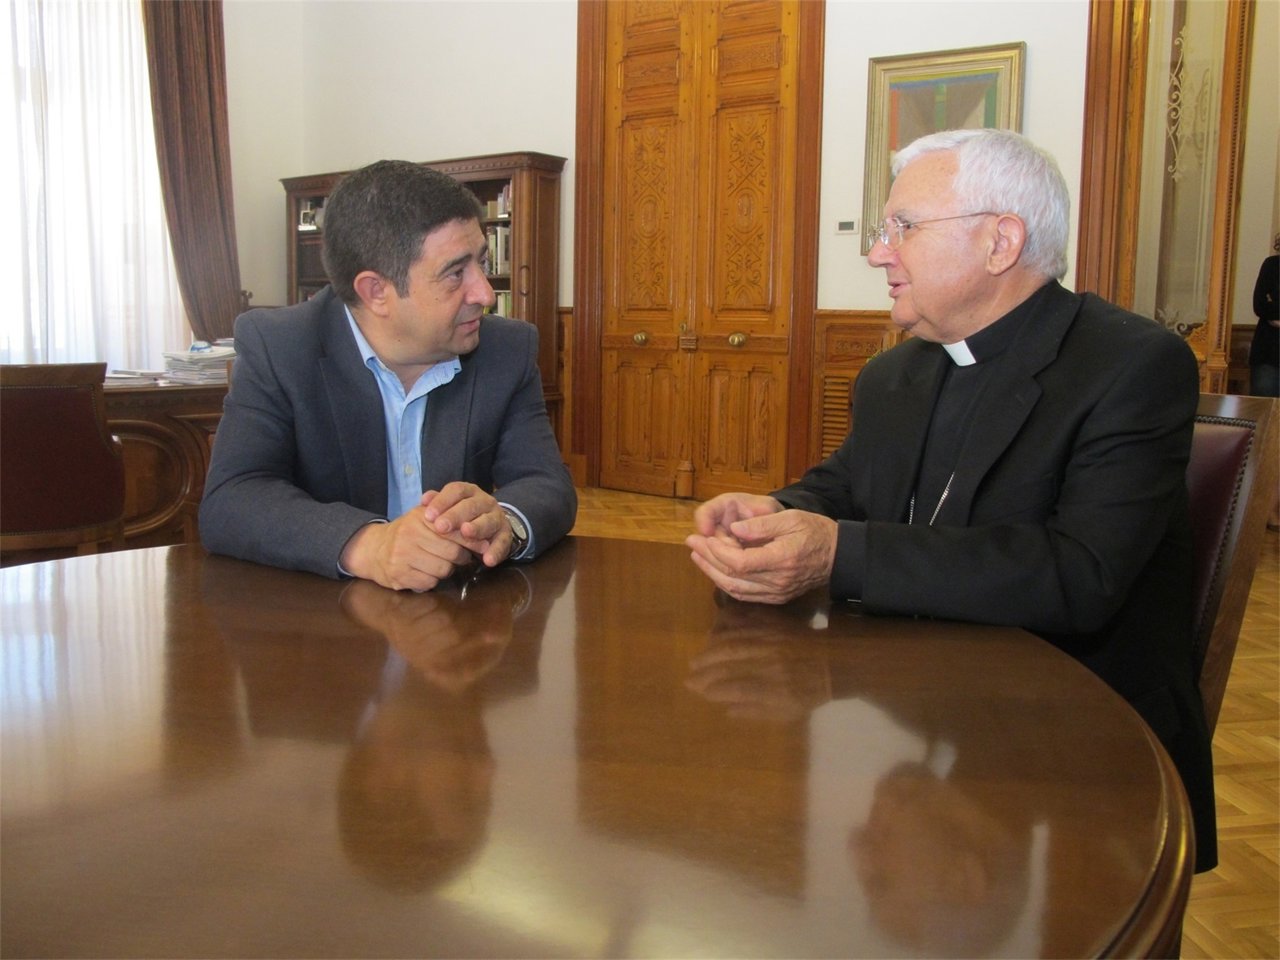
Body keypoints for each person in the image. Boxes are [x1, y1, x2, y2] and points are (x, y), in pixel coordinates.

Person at [686, 128, 1217, 871]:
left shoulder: (1129, 365)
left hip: (1071, 749)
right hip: (913, 704)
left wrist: (840, 552)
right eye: (884, 230)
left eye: (902, 228)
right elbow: (847, 486)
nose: (877, 253)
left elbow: (1081, 574)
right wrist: (775, 510)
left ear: (1001, 242)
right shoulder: (895, 373)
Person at [201, 160, 576, 590]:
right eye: (456, 273)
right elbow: (231, 500)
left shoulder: (505, 351)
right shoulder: (281, 348)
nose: (485, 293)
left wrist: (503, 522)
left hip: (463, 627)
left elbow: (546, 484)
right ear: (376, 291)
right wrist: (370, 545)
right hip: (325, 629)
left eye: (482, 262)